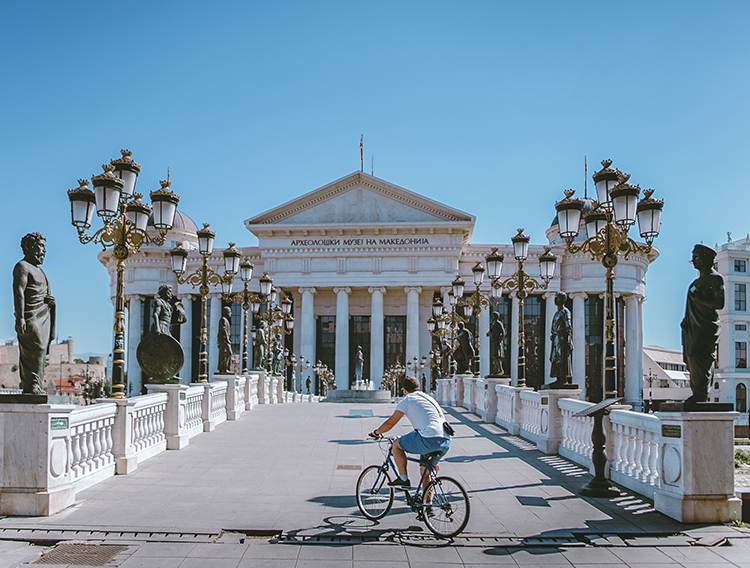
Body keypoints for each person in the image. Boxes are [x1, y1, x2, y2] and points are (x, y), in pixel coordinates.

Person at [369, 376, 451, 490]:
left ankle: (403, 480)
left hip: (428, 440)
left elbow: (390, 423)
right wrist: (402, 437)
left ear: (404, 390)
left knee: (396, 445)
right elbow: (424, 427)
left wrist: (376, 432)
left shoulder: (407, 400)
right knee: (425, 473)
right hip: (445, 440)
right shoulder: (429, 398)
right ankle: (427, 506)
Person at [681, 244, 725, 403]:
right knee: (691, 357)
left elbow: (720, 303)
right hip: (692, 327)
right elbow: (689, 308)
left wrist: (699, 299)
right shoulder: (694, 284)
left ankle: (702, 395)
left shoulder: (716, 279)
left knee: (701, 358)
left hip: (707, 327)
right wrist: (685, 323)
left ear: (706, 259)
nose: (693, 260)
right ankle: (698, 394)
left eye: (696, 256)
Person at [13, 232, 55, 395]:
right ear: (30, 247)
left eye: (45, 247)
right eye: (41, 246)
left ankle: (36, 384)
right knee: (35, 348)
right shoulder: (22, 266)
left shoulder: (41, 271)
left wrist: (51, 302)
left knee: (42, 350)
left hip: (44, 316)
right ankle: (30, 385)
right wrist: (20, 317)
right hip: (30, 316)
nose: (44, 251)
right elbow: (19, 292)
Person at [549, 292, 573, 386]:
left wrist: (568, 339)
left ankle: (563, 379)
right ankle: (558, 377)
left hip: (562, 338)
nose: (555, 299)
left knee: (561, 358)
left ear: (562, 300)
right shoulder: (557, 312)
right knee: (555, 358)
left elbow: (568, 326)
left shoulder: (565, 311)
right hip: (556, 338)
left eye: (557, 298)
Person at [487, 311, 506, 376]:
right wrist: (488, 333)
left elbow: (503, 333)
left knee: (497, 356)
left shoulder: (498, 323)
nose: (491, 317)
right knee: (494, 356)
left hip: (497, 342)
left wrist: (500, 341)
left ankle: (501, 370)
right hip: (494, 342)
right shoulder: (494, 324)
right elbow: (491, 331)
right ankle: (496, 370)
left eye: (492, 316)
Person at [217, 306, 233, 374]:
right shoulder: (223, 320)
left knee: (227, 353)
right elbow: (223, 330)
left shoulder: (226, 320)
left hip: (226, 341)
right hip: (224, 341)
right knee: (226, 353)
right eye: (229, 312)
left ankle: (225, 368)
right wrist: (227, 339)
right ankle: (224, 368)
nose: (230, 313)